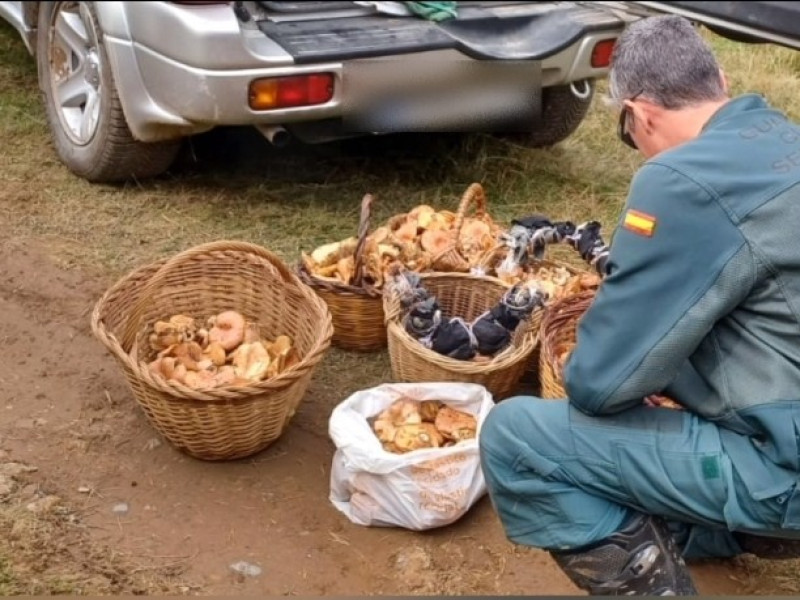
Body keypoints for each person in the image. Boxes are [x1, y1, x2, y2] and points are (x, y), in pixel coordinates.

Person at [479, 14, 800, 596]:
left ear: (640, 112)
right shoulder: (786, 142)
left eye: (628, 133)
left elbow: (600, 384)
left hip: (786, 464)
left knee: (516, 437)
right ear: (720, 79)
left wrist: (633, 369)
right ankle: (730, 530)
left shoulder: (680, 180)